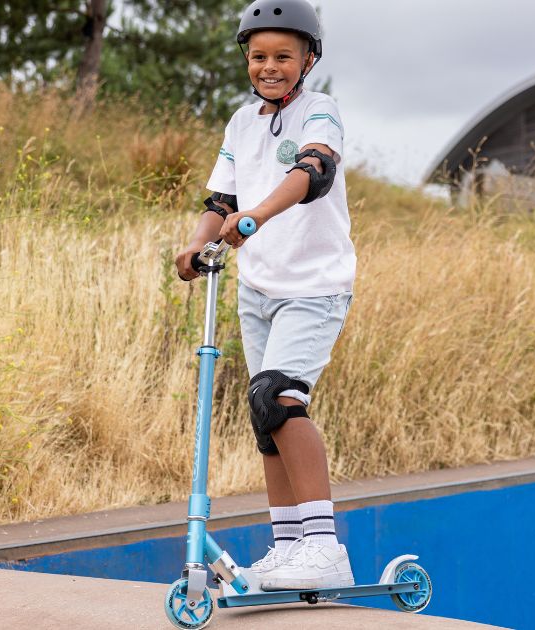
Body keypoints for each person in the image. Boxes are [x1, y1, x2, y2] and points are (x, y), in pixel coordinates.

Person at [174, 0, 355, 592]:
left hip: (314, 284)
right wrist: (197, 246)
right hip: (258, 288)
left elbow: (314, 170)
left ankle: (325, 549)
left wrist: (259, 215)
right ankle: (288, 548)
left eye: (283, 55)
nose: (269, 66)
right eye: (258, 56)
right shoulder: (240, 123)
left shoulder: (319, 110)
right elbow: (220, 201)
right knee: (263, 412)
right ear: (246, 60)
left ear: (309, 58)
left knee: (281, 396)